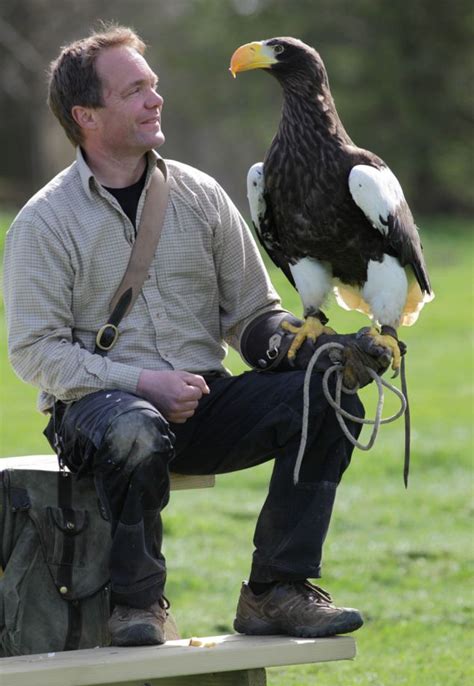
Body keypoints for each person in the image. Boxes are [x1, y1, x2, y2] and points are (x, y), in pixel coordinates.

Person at [3, 24, 392, 647]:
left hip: (206, 403)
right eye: (134, 91)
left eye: (153, 86)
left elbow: (251, 318)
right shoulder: (43, 223)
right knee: (135, 426)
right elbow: (33, 353)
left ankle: (277, 591)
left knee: (327, 396)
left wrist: (321, 350)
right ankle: (136, 604)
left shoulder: (201, 195)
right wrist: (142, 383)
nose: (155, 99)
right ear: (87, 115)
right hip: (95, 416)